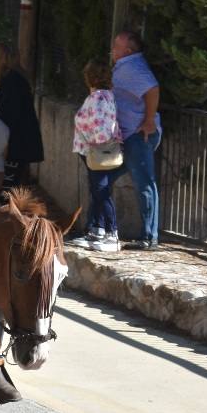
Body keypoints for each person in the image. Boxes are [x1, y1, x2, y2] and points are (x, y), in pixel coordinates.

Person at [109, 30, 162, 250]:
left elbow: (152, 89)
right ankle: (102, 228)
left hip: (138, 135)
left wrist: (149, 120)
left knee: (145, 184)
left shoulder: (132, 66)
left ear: (127, 51)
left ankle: (149, 237)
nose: (112, 49)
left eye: (116, 46)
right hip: (130, 135)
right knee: (104, 178)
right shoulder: (127, 65)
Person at [69, 60, 121, 252]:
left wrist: (95, 143)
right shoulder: (107, 96)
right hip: (98, 150)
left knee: (101, 191)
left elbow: (99, 125)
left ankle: (111, 234)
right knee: (98, 190)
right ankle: (97, 230)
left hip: (94, 151)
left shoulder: (97, 98)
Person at [0, 41, 43, 188]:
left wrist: (2, 143)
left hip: (17, 143)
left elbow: (10, 116)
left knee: (9, 185)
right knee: (15, 184)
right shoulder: (10, 78)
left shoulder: (12, 80)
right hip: (17, 141)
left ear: (0, 57)